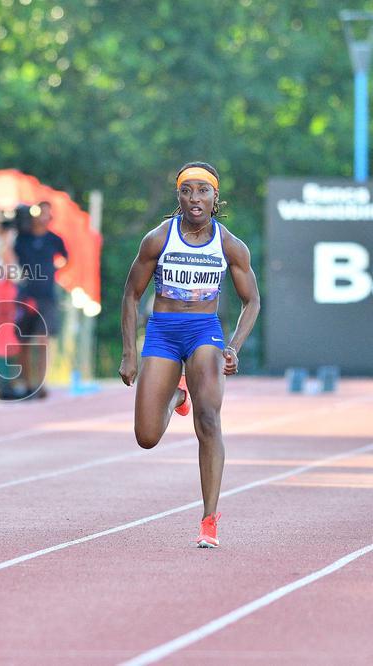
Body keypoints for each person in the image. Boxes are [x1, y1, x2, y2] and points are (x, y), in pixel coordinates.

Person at [119, 162, 260, 548]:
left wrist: (233, 346)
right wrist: (129, 353)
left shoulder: (229, 244)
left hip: (204, 333)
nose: (194, 199)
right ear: (178, 196)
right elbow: (131, 294)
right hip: (163, 333)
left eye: (202, 191)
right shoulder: (157, 239)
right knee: (146, 437)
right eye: (187, 191)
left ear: (216, 198)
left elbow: (252, 301)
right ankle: (177, 396)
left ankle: (209, 518)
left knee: (209, 420)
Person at [2, 202, 68, 399]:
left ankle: (41, 382)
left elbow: (65, 258)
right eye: (41, 213)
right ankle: (27, 382)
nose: (43, 218)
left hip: (46, 296)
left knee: (42, 339)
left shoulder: (55, 239)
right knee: (22, 341)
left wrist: (52, 271)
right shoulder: (21, 238)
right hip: (25, 294)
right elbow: (9, 255)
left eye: (48, 214)